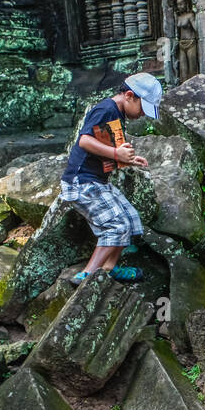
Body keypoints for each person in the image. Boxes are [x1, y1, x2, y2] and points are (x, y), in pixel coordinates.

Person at [59, 72, 163, 285]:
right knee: (116, 224)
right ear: (129, 96)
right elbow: (85, 142)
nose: (143, 115)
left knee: (130, 218)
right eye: (143, 109)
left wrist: (128, 159)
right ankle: (87, 275)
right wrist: (117, 154)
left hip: (97, 181)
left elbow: (105, 147)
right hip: (81, 183)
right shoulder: (106, 109)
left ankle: (110, 266)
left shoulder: (118, 114)